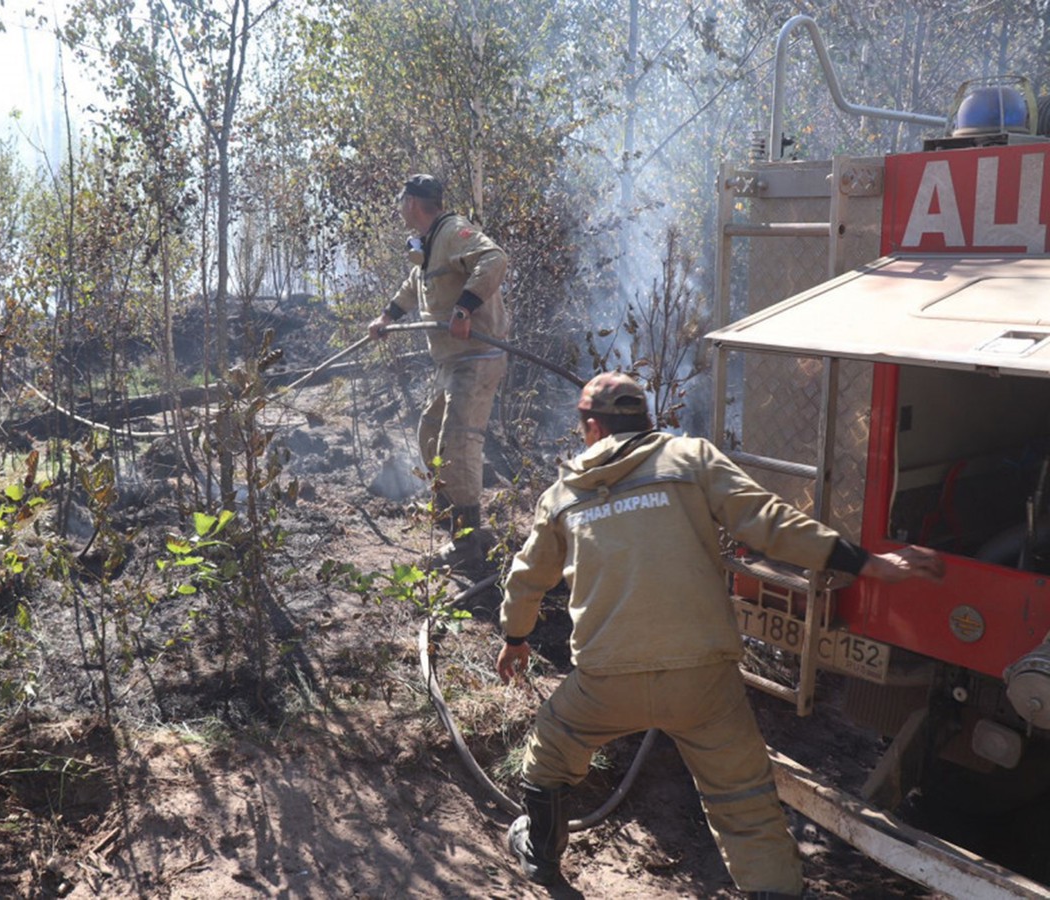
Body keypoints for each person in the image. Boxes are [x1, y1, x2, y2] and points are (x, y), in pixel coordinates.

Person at [495, 372, 945, 897]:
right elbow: (771, 522)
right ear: (647, 420)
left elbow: (527, 579)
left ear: (592, 427)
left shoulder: (563, 494)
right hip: (702, 681)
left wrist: (515, 637)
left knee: (549, 755)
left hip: (604, 681)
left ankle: (541, 858)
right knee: (743, 802)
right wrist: (867, 563)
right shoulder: (692, 460)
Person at [369, 174, 509, 571]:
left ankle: (467, 547)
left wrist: (464, 309)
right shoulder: (431, 245)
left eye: (400, 200)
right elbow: (416, 286)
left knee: (456, 444)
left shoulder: (452, 231)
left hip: (477, 358)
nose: (399, 208)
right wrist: (386, 317)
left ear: (412, 202)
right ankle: (458, 526)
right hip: (453, 362)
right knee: (429, 434)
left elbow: (494, 258)